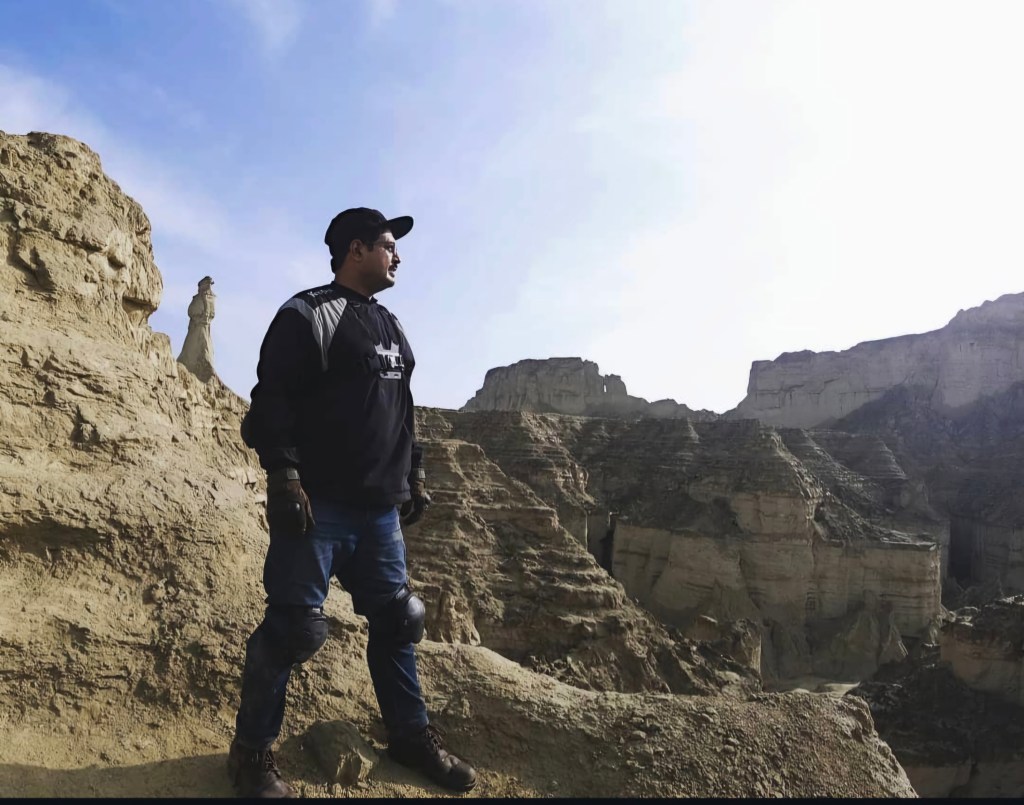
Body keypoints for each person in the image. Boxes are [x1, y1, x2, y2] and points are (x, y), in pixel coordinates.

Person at [228, 207, 477, 798]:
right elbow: (272, 398)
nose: (398, 257)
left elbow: (402, 409)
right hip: (319, 506)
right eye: (389, 245)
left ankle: (409, 737)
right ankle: (251, 755)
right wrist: (284, 475)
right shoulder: (308, 313)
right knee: (291, 630)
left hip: (380, 513)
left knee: (399, 621)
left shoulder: (390, 324)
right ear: (356, 249)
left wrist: (414, 471)